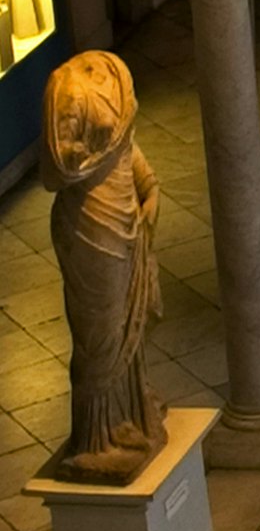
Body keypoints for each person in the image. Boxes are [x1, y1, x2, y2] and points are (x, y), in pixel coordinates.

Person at [42, 51, 165, 485]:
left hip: (125, 216)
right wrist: (87, 154)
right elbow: (56, 170)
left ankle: (130, 415)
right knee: (99, 331)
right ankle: (94, 441)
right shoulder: (67, 86)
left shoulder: (114, 73)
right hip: (90, 225)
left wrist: (149, 196)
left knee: (126, 326)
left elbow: (131, 156)